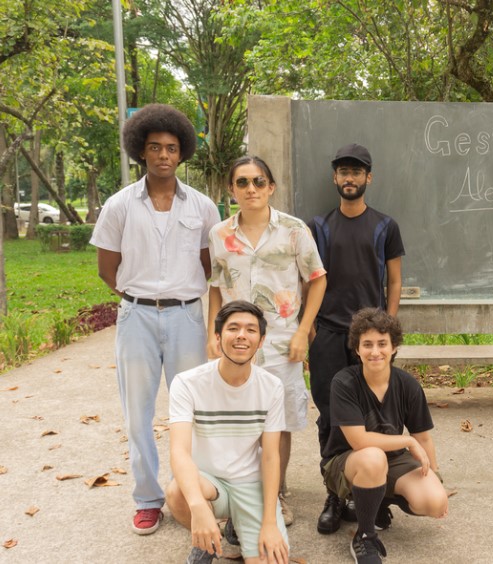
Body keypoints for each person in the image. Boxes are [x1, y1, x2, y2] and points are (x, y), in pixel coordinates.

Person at [90, 103, 220, 535]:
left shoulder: (202, 207)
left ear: (181, 153)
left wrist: (179, 294)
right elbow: (107, 268)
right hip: (137, 317)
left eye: (171, 147)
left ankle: (192, 493)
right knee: (137, 413)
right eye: (154, 147)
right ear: (140, 152)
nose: (163, 155)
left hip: (186, 318)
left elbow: (209, 264)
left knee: (194, 411)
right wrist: (139, 296)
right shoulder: (119, 205)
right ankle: (147, 498)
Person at [207, 155, 327, 525]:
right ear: (231, 190)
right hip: (235, 344)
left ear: (271, 187)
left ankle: (275, 493)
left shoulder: (293, 230)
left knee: (279, 421)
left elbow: (318, 279)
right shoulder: (219, 235)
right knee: (235, 419)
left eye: (258, 182)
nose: (251, 189)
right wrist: (213, 332)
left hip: (280, 343)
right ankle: (239, 492)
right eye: (242, 182)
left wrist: (304, 331)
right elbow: (215, 286)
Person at [307, 143, 405, 534]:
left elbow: (394, 280)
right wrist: (310, 326)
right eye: (343, 172)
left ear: (369, 177)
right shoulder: (319, 226)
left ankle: (373, 496)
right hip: (329, 334)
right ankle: (335, 494)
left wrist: (387, 329)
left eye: (357, 171)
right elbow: (312, 279)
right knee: (331, 418)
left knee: (375, 415)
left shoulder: (385, 226)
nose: (350, 178)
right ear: (335, 178)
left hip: (371, 340)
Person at [166, 300, 289, 564]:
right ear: (219, 337)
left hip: (250, 484)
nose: (242, 335)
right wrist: (198, 508)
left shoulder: (272, 386)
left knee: (270, 560)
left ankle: (239, 524)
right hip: (209, 482)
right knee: (177, 492)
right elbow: (179, 451)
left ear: (261, 340)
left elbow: (270, 457)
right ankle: (207, 542)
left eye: (251, 330)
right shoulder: (187, 384)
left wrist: (269, 522)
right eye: (233, 328)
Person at [322, 308, 448, 563]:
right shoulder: (344, 382)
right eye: (367, 344)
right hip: (347, 462)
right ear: (357, 349)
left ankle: (376, 504)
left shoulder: (407, 384)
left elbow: (422, 436)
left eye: (382, 343)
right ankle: (364, 537)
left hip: (390, 460)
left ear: (393, 347)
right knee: (372, 458)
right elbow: (359, 441)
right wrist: (407, 440)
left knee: (434, 501)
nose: (375, 351)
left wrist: (435, 475)